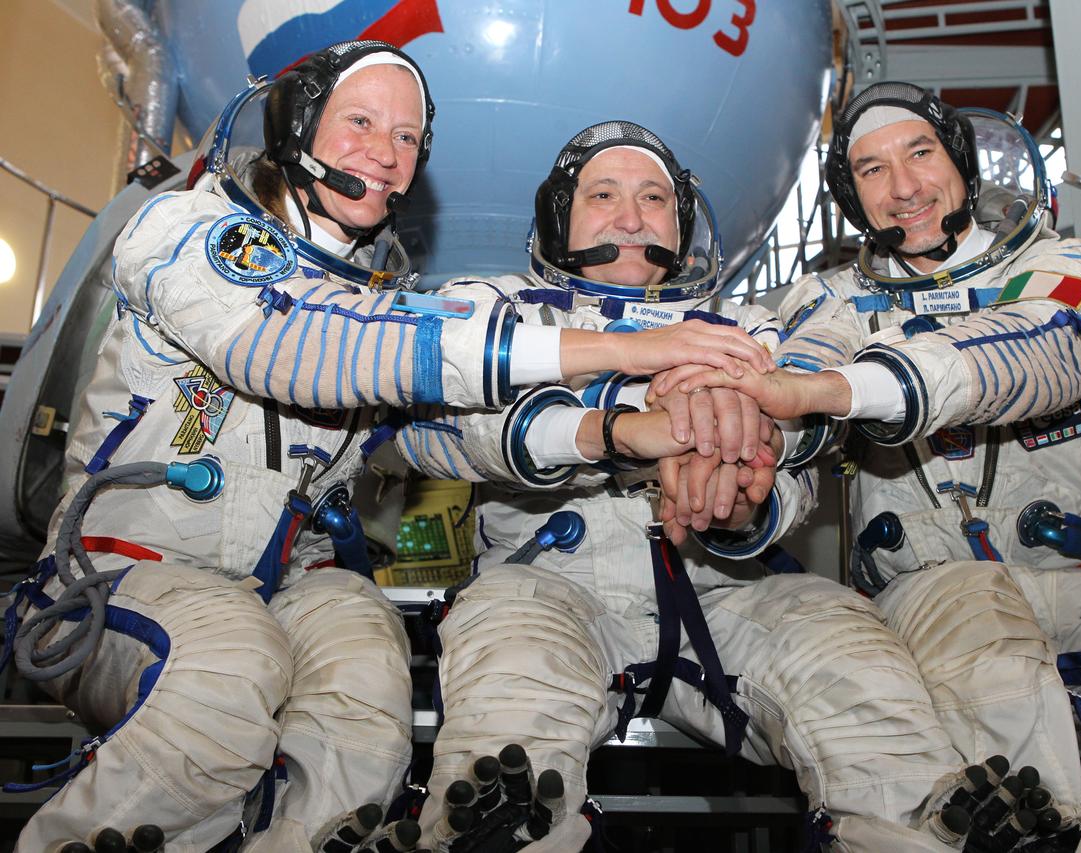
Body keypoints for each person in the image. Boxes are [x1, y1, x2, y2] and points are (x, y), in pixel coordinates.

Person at [6, 42, 772, 853]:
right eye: (362, 122)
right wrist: (614, 351)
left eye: (407, 139)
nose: (386, 153)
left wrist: (620, 434)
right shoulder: (190, 230)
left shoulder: (377, 302)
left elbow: (447, 432)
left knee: (368, 702)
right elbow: (296, 346)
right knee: (230, 667)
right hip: (124, 577)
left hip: (289, 585)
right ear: (295, 126)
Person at [400, 120, 1022, 853]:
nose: (631, 218)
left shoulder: (746, 327)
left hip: (724, 589)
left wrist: (748, 494)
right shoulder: (497, 311)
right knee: (506, 738)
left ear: (681, 221)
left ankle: (933, 829)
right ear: (558, 218)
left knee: (850, 658)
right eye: (604, 195)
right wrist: (623, 427)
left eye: (654, 198)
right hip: (546, 589)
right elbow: (425, 427)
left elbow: (800, 454)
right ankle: (495, 830)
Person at [656, 81, 1081, 850]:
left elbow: (1043, 348)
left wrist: (837, 389)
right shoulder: (834, 301)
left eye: (920, 153)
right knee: (988, 655)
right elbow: (796, 403)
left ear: (963, 163)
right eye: (872, 169)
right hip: (936, 597)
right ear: (851, 196)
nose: (904, 186)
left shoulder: (1070, 267)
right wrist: (751, 487)